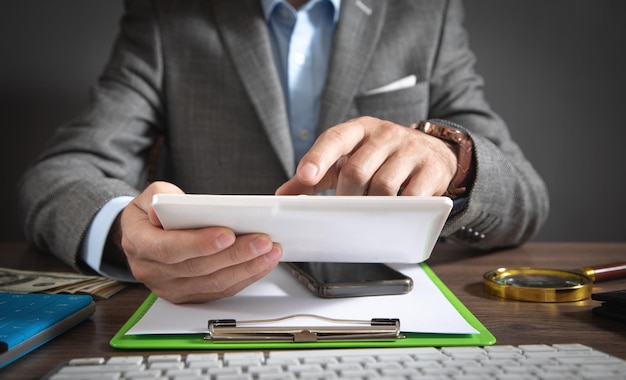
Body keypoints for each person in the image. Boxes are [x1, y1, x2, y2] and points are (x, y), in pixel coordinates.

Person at [17, 0, 549, 304]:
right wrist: (122, 233)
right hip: (209, 313)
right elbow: (63, 172)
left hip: (394, 308)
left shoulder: (424, 14)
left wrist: (450, 158)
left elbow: (523, 196)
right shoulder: (168, 16)